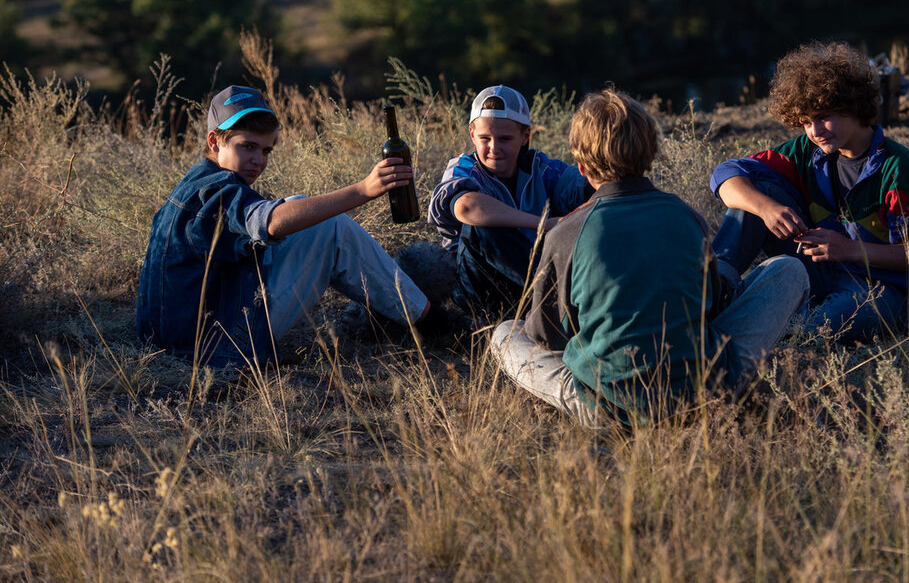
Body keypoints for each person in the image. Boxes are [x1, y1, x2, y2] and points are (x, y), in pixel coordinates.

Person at [489, 89, 809, 429]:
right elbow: (711, 307)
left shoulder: (565, 233)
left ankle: (612, 414)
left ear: (580, 167)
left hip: (609, 409)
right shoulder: (687, 216)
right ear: (651, 153)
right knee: (788, 268)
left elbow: (545, 336)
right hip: (706, 393)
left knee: (506, 333)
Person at [137, 85, 434, 368]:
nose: (258, 160)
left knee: (299, 208)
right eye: (248, 146)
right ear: (214, 141)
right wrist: (363, 190)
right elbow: (272, 222)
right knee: (330, 228)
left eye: (266, 150)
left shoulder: (196, 183)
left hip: (176, 339)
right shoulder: (216, 193)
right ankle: (432, 323)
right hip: (212, 348)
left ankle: (386, 311)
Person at [709, 42, 909, 344]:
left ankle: (768, 322)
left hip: (883, 288)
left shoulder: (900, 168)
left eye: (823, 116)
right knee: (755, 191)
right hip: (819, 270)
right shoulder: (805, 151)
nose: (815, 131)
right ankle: (712, 295)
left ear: (853, 106)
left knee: (843, 319)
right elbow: (725, 175)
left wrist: (850, 249)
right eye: (805, 122)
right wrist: (766, 208)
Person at [428, 85, 593, 314]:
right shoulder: (464, 168)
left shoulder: (542, 169)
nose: (494, 148)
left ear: (525, 137)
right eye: (485, 138)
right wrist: (545, 224)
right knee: (478, 226)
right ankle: (555, 302)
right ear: (472, 134)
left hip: (531, 277)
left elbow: (590, 185)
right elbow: (466, 207)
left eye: (505, 139)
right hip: (480, 292)